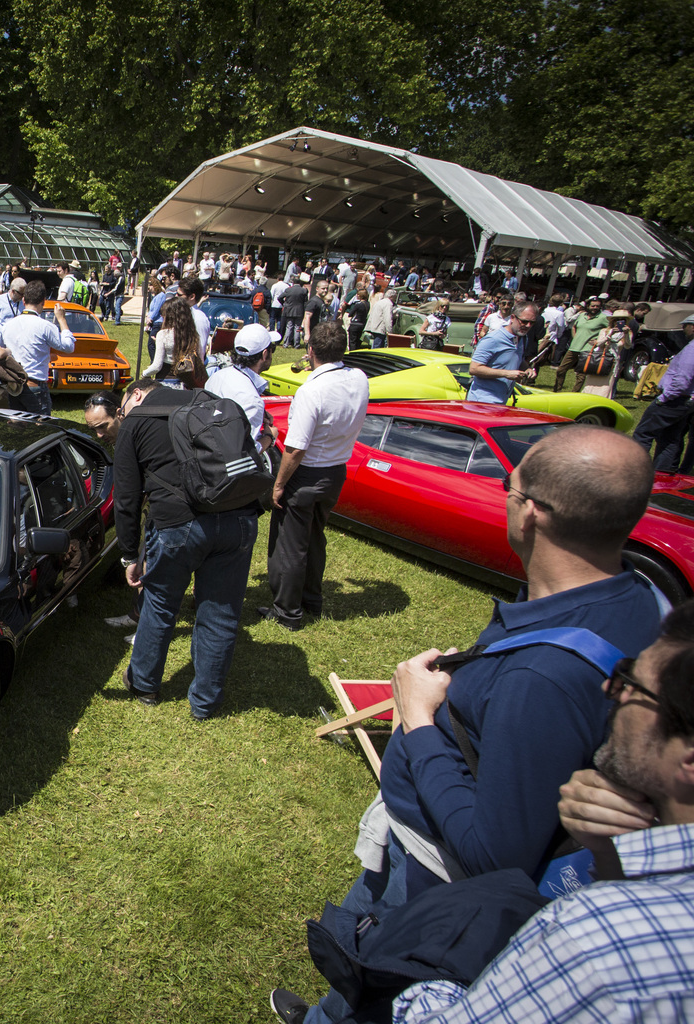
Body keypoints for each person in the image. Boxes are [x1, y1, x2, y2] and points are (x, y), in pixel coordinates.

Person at [272, 424, 664, 1024]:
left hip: (434, 871)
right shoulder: (637, 597)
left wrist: (419, 717)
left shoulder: (544, 677)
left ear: (530, 513)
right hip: (450, 848)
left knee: (381, 972)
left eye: (508, 490)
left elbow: (493, 851)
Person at [376, 602, 694, 1022]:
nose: (607, 690)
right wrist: (609, 857)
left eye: (631, 683)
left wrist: (419, 960)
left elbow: (451, 1013)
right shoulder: (639, 600)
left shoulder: (592, 938)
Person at [113, 377, 261, 716]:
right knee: (221, 613)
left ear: (136, 394)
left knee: (161, 604)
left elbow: (126, 499)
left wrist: (129, 556)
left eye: (121, 408)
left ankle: (144, 684)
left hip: (177, 524)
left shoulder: (135, 422)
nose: (122, 415)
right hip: (238, 517)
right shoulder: (210, 400)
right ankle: (206, 703)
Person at [260, 322, 368, 631]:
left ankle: (287, 611)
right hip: (336, 470)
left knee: (290, 546)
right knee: (315, 539)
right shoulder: (358, 378)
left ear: (310, 351)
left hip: (307, 473)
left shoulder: (312, 390)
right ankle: (311, 600)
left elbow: (295, 448)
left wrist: (278, 485)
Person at [0, 281, 74, 416]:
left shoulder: (8, 325)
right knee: (41, 428)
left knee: (17, 427)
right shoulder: (45, 326)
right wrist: (62, 320)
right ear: (43, 301)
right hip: (35, 385)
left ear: (23, 300)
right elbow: (68, 346)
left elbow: (2, 349)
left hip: (14, 385)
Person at [631, 314, 694, 473]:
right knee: (670, 438)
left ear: (693, 327)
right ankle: (662, 475)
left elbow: (683, 378)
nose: (683, 329)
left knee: (644, 433)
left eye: (685, 325)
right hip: (686, 401)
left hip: (675, 399)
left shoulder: (692, 349)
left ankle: (634, 470)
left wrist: (665, 397)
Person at [204, 324, 278, 453]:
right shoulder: (252, 400)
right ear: (265, 354)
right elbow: (246, 452)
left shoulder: (217, 376)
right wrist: (269, 437)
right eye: (272, 349)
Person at [467, 302, 539, 403]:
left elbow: (517, 359)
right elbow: (474, 369)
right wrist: (506, 374)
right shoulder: (493, 339)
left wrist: (527, 369)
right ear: (513, 317)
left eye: (532, 322)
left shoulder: (522, 338)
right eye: (524, 321)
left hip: (502, 400)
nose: (528, 326)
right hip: (482, 401)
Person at [143, 294, 200, 385]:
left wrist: (144, 373)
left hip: (166, 380)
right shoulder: (193, 335)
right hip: (186, 382)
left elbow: (157, 366)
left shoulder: (163, 335)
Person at [557, 295, 608, 392]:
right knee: (561, 370)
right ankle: (557, 390)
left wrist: (599, 340)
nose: (595, 308)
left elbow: (609, 330)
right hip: (574, 347)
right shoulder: (581, 315)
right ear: (588, 306)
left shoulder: (603, 318)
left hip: (587, 349)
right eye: (593, 306)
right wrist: (575, 337)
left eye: (597, 306)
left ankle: (574, 393)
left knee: (580, 375)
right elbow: (574, 327)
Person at [280, 273, 310, 349]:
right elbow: (306, 302)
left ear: (293, 282)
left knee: (289, 327)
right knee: (297, 328)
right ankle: (297, 344)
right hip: (299, 311)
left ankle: (286, 343)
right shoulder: (304, 290)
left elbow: (279, 297)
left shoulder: (288, 290)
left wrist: (284, 304)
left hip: (289, 310)